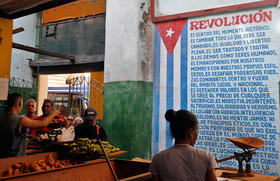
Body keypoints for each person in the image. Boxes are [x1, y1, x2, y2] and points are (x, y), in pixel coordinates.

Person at [150, 109, 218, 181]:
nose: (197, 133)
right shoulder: (206, 156)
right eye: (197, 130)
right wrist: (210, 167)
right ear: (190, 132)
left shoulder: (157, 159)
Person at [0, 93, 59, 158]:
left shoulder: (1, 117)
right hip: (15, 160)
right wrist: (53, 114)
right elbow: (43, 123)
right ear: (20, 103)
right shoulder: (21, 120)